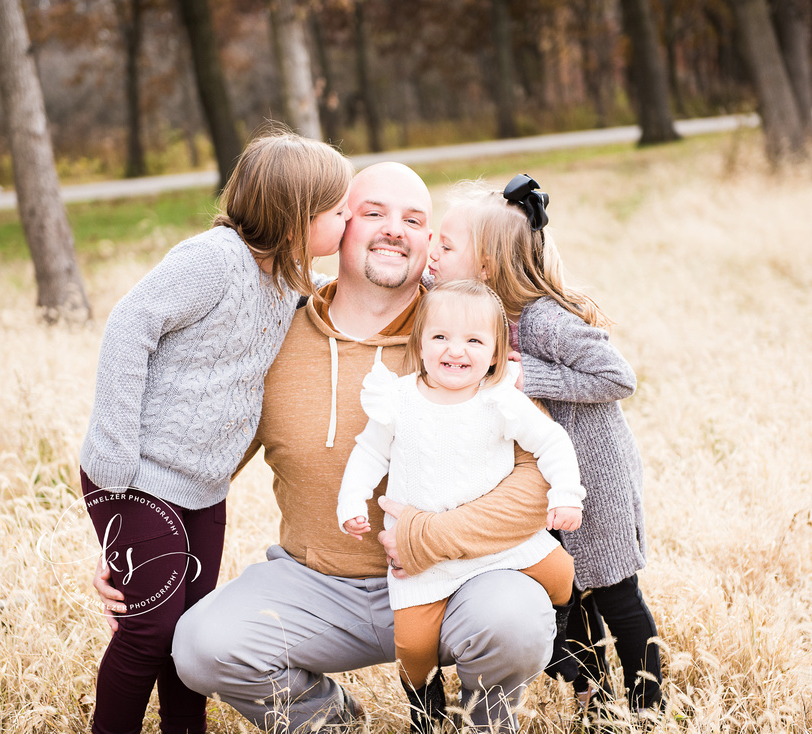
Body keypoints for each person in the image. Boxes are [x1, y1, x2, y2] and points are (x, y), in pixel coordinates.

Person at [98, 162, 567, 733]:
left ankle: (481, 723)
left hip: (458, 576)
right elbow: (203, 455)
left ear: (429, 244)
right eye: (374, 213)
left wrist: (430, 537)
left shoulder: (464, 332)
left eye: (415, 220)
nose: (395, 229)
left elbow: (536, 474)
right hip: (317, 585)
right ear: (336, 225)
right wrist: (140, 540)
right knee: (202, 646)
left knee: (516, 620)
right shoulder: (276, 331)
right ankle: (334, 722)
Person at [78, 131, 353, 734]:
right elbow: (129, 325)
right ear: (297, 217)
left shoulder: (286, 283)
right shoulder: (214, 260)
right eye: (339, 210)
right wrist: (117, 459)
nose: (350, 218)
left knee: (188, 635)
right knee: (147, 631)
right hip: (138, 476)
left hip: (203, 488)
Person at [427, 174, 663, 720]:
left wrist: (528, 374)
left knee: (614, 594)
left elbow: (618, 376)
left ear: (484, 264)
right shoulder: (479, 314)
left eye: (445, 244)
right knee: (565, 596)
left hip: (595, 479)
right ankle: (596, 700)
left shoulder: (542, 320)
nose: (432, 253)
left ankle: (649, 704)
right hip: (545, 482)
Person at [336, 278, 584, 730]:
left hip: (496, 545)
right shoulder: (400, 399)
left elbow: (552, 443)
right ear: (421, 343)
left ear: (494, 353)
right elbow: (369, 452)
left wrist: (567, 494)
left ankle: (562, 639)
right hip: (421, 557)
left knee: (562, 571)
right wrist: (352, 499)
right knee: (412, 646)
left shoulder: (500, 400)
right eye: (441, 337)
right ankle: (424, 704)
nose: (456, 351)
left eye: (474, 340)